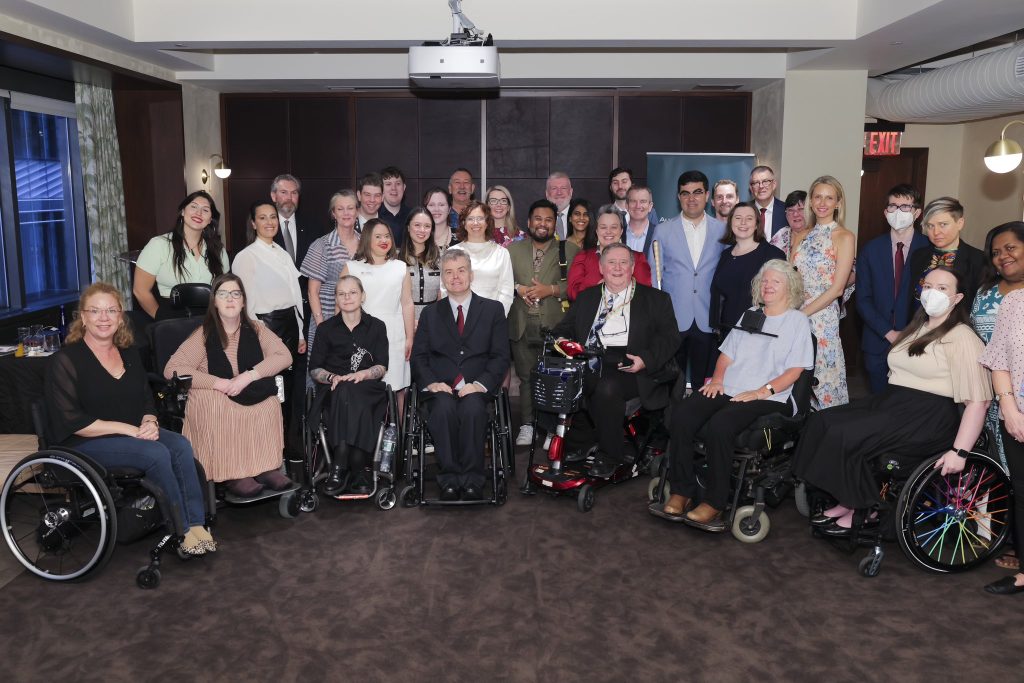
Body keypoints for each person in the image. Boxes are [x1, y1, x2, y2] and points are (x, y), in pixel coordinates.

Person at [793, 267, 992, 535]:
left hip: (929, 414)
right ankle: (847, 497)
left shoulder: (962, 337)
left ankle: (865, 505)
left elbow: (978, 403)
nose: (933, 292)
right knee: (821, 421)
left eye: (943, 288)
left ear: (957, 298)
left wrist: (960, 452)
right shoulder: (916, 328)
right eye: (928, 286)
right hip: (895, 401)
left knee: (847, 434)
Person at [44, 282, 215, 555]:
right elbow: (73, 421)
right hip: (82, 442)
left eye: (111, 310)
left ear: (120, 316)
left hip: (132, 433)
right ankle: (179, 530)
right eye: (96, 311)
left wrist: (150, 421)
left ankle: (196, 524)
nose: (104, 318)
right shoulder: (65, 360)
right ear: (83, 317)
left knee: (180, 445)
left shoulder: (129, 353)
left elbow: (146, 398)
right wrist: (130, 430)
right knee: (156, 453)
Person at [661, 260, 813, 530]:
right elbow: (726, 354)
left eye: (775, 282)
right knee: (683, 414)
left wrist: (760, 391)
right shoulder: (751, 314)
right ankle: (681, 491)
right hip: (730, 386)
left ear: (790, 288)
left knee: (721, 424)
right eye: (764, 281)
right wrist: (718, 379)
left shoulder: (797, 321)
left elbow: (795, 371)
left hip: (769, 395)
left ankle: (714, 502)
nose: (767, 286)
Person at [553, 243, 679, 477]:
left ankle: (611, 454)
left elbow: (670, 338)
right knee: (564, 380)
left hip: (633, 363)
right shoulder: (587, 297)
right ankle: (583, 439)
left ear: (632, 267)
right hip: (591, 358)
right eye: (611, 262)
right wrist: (560, 340)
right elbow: (564, 328)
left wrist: (646, 359)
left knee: (606, 388)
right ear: (601, 268)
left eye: (624, 263)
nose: (617, 268)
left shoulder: (656, 299)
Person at [165, 274, 293, 497]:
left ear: (243, 301)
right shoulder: (203, 334)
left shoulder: (256, 329)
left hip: (245, 387)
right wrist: (218, 383)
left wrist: (249, 376)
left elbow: (284, 356)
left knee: (269, 400)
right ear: (214, 301)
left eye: (236, 294)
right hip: (218, 393)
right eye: (223, 294)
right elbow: (172, 369)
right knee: (218, 403)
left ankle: (264, 468)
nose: (230, 299)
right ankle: (233, 474)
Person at [411, 249, 510, 501]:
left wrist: (480, 384)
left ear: (471, 274)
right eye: (449, 272)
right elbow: (419, 356)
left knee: (472, 410)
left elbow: (500, 356)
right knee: (443, 409)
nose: (455, 277)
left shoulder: (493, 310)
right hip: (441, 387)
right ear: (442, 278)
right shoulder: (430, 314)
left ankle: (472, 479)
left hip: (477, 387)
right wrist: (432, 383)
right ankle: (449, 479)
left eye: (461, 270)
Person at [771, 176, 855, 408]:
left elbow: (838, 288)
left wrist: (802, 314)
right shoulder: (800, 234)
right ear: (810, 201)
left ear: (838, 203)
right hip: (794, 314)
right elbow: (792, 277)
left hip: (822, 317)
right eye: (817, 196)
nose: (822, 202)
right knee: (793, 382)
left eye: (829, 197)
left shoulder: (844, 236)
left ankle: (830, 437)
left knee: (824, 381)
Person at [971, 221, 1024, 572]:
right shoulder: (986, 292)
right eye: (996, 252)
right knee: (999, 468)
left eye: (1010, 248)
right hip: (990, 394)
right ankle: (1002, 533)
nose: (1003, 256)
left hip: (1016, 393)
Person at [308, 275, 390, 496]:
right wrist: (333, 377)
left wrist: (364, 374)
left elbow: (382, 366)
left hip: (368, 389)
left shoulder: (377, 327)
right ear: (336, 299)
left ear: (362, 296)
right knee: (344, 390)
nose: (347, 297)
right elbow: (315, 369)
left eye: (352, 292)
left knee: (352, 391)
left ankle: (340, 465)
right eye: (341, 294)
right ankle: (357, 468)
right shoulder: (325, 329)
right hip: (333, 390)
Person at [232, 201, 306, 442]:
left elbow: (295, 296)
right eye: (262, 218)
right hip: (266, 326)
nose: (269, 222)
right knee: (271, 386)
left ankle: (287, 440)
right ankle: (270, 443)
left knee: (290, 386)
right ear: (253, 224)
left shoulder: (281, 252)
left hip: (290, 325)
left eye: (273, 217)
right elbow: (244, 302)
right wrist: (260, 334)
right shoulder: (246, 257)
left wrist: (302, 333)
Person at [509, 199, 580, 446]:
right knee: (527, 377)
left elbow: (577, 288)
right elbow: (501, 282)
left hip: (555, 324)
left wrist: (550, 289)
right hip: (520, 323)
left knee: (554, 376)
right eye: (538, 219)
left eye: (548, 220)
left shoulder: (569, 251)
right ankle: (527, 424)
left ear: (555, 224)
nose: (543, 224)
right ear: (529, 222)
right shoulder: (512, 250)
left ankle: (551, 430)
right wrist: (518, 288)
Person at [647, 170, 727, 388]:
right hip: (673, 319)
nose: (691, 198)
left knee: (706, 384)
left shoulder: (723, 231)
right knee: (672, 382)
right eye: (685, 193)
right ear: (678, 197)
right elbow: (655, 275)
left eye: (697, 192)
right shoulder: (662, 231)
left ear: (708, 195)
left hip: (708, 319)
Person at [855, 184, 929, 394]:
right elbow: (863, 299)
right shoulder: (870, 249)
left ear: (916, 212)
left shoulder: (929, 249)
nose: (898, 212)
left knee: (910, 403)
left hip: (918, 339)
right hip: (877, 342)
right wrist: (888, 333)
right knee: (880, 402)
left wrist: (911, 333)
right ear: (885, 212)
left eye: (905, 206)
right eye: (893, 206)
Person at [978, 289, 1024, 595]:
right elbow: (998, 359)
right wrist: (1009, 410)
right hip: (1018, 414)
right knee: (1021, 491)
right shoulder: (1014, 301)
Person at [341, 219, 414, 396]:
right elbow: (341, 305)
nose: (384, 240)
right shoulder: (352, 267)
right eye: (378, 236)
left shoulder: (400, 267)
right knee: (363, 388)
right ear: (367, 239)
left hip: (394, 336)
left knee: (397, 388)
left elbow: (407, 303)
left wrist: (409, 337)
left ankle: (397, 424)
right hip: (360, 335)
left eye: (387, 236)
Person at [133, 190, 229, 321]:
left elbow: (225, 290)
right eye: (193, 207)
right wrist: (162, 319)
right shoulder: (159, 245)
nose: (198, 213)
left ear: (210, 219)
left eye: (205, 210)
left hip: (210, 319)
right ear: (183, 212)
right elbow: (140, 290)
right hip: (171, 317)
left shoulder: (219, 250)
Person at [709, 202, 786, 334]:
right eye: (738, 218)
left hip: (758, 333)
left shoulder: (772, 254)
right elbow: (718, 294)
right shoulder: (726, 255)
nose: (743, 223)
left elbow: (781, 298)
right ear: (731, 222)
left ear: (756, 224)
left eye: (749, 218)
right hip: (726, 332)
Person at [907, 196, 987, 318]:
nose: (936, 232)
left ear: (960, 223)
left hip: (957, 330)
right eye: (930, 226)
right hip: (917, 328)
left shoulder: (979, 259)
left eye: (943, 224)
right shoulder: (919, 255)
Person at [301, 190, 359, 357]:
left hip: (358, 316)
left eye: (350, 208)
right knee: (325, 369)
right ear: (333, 213)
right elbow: (313, 292)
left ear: (357, 211)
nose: (346, 213)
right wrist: (322, 327)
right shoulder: (321, 245)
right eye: (340, 209)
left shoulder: (366, 243)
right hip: (326, 315)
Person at [567, 204, 652, 301]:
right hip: (592, 313)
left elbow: (645, 294)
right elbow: (572, 293)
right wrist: (599, 287)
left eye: (614, 227)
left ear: (621, 231)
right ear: (597, 231)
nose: (608, 232)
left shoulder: (637, 258)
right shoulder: (583, 257)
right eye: (603, 227)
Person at [447, 201, 514, 315]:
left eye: (480, 218)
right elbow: (446, 289)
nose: (475, 223)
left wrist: (495, 318)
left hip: (492, 319)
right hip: (459, 318)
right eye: (470, 219)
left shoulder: (501, 253)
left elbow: (506, 292)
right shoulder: (452, 252)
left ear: (487, 222)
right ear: (463, 223)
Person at [399, 207, 443, 324]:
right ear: (408, 227)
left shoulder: (441, 258)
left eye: (427, 226)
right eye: (417, 225)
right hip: (402, 322)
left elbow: (442, 294)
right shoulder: (396, 259)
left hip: (434, 322)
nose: (422, 230)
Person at [270, 174, 310, 268]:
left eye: (294, 193)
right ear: (273, 196)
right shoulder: (265, 227)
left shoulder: (313, 226)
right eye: (284, 192)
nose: (289, 198)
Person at [748, 165, 786, 241]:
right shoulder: (743, 211)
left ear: (774, 184)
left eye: (765, 181)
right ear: (751, 188)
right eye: (756, 183)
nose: (761, 186)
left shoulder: (786, 211)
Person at [378, 166, 411, 247]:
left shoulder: (413, 216)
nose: (394, 188)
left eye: (398, 184)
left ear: (404, 187)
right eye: (388, 184)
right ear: (381, 188)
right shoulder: (374, 216)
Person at [624, 185, 658, 255]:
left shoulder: (660, 235)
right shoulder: (617, 234)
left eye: (643, 201)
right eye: (633, 201)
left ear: (650, 206)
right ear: (626, 206)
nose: (638, 206)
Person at [424, 186, 459, 251]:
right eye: (431, 205)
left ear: (449, 209)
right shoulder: (418, 236)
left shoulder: (461, 237)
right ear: (425, 209)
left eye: (441, 205)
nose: (436, 209)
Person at [545, 172, 574, 240]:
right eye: (554, 188)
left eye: (563, 188)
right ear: (546, 193)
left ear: (571, 192)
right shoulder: (538, 219)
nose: (559, 193)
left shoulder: (581, 218)